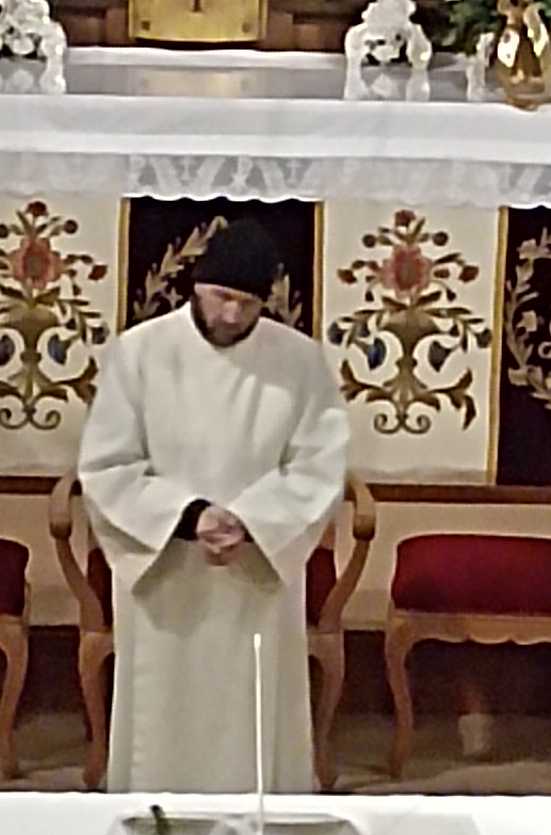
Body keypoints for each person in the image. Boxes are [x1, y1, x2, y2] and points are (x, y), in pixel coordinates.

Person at [74, 209, 352, 793]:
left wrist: (250, 520)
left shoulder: (299, 361)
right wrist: (189, 516)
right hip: (168, 566)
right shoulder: (139, 353)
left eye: (247, 303)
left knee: (254, 718)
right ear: (196, 285)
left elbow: (318, 465)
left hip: (255, 565)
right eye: (222, 297)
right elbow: (108, 464)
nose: (231, 314)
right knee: (164, 722)